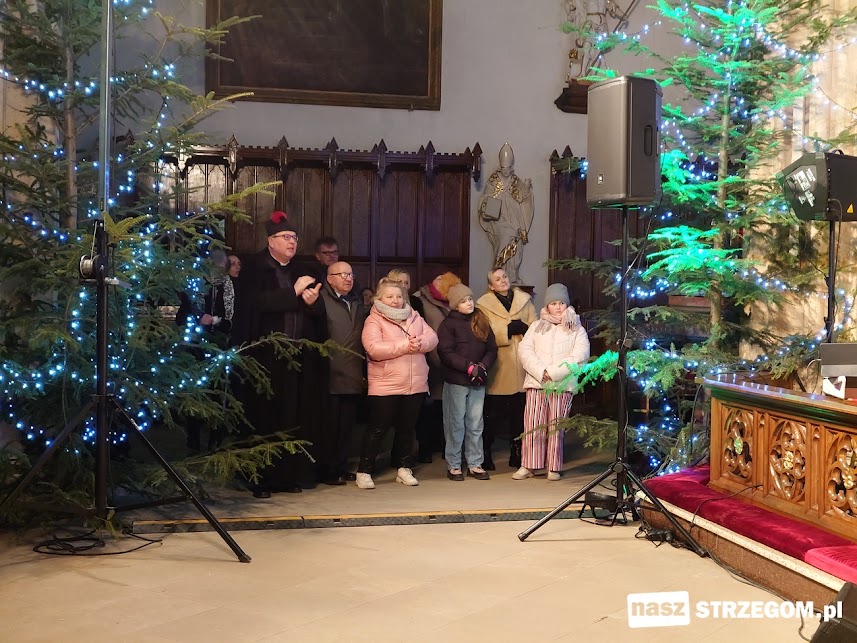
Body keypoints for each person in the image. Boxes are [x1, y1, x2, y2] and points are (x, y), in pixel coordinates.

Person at [230, 210, 324, 498]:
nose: (292, 242)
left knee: (292, 417)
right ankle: (259, 478)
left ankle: (287, 476)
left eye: (294, 237)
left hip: (296, 358)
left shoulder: (301, 269)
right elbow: (253, 304)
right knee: (264, 418)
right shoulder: (253, 268)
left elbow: (318, 312)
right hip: (264, 359)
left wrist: (312, 302)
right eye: (286, 237)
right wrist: (292, 292)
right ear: (271, 240)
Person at [357, 278, 438, 489]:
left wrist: (421, 343)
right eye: (390, 296)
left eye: (399, 296)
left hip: (415, 383)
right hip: (386, 384)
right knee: (377, 429)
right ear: (379, 299)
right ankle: (364, 471)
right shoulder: (374, 320)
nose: (395, 300)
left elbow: (432, 337)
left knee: (407, 429)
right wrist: (405, 345)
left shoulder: (414, 315)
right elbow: (373, 348)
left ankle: (404, 468)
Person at [515, 283, 590, 481]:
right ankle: (529, 465)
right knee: (533, 424)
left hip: (562, 384)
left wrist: (555, 373)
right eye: (553, 303)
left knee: (556, 426)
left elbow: (580, 356)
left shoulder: (576, 329)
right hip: (537, 381)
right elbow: (525, 350)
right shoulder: (536, 326)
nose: (557, 307)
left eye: (561, 303)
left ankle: (553, 467)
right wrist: (542, 371)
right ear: (547, 305)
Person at [476, 268, 537, 470]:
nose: (502, 280)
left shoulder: (525, 300)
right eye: (497, 279)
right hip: (499, 365)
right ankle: (486, 451)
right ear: (491, 286)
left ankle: (516, 451)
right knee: (492, 413)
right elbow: (482, 331)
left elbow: (536, 326)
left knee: (519, 414)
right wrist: (506, 330)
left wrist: (525, 328)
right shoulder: (483, 304)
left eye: (504, 277)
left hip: (521, 363)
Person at [438, 284, 497, 481]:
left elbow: (491, 348)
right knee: (455, 423)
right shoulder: (448, 325)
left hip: (477, 379)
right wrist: (468, 366)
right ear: (455, 305)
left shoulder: (480, 319)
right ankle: (454, 464)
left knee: (475, 423)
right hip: (457, 380)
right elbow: (445, 352)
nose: (469, 303)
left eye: (470, 299)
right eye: (463, 301)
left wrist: (482, 366)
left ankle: (475, 463)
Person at [318, 261, 366, 485]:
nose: (348, 278)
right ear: (330, 278)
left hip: (353, 371)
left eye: (350, 274)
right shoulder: (322, 299)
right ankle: (328, 469)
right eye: (342, 274)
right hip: (330, 371)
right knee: (330, 426)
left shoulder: (356, 300)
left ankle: (341, 465)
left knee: (347, 425)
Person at [412, 270, 462, 462]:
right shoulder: (419, 299)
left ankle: (442, 445)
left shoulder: (453, 302)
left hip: (451, 360)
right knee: (428, 407)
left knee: (445, 405)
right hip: (430, 358)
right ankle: (425, 448)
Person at [477, 143, 534, 285]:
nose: (506, 171)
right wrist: (488, 203)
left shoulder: (515, 180)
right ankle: (499, 276)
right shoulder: (493, 180)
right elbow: (485, 197)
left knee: (516, 245)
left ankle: (512, 276)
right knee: (503, 240)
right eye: (503, 168)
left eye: (508, 168)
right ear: (500, 167)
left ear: (511, 167)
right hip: (499, 220)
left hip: (514, 218)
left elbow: (523, 196)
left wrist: (526, 187)